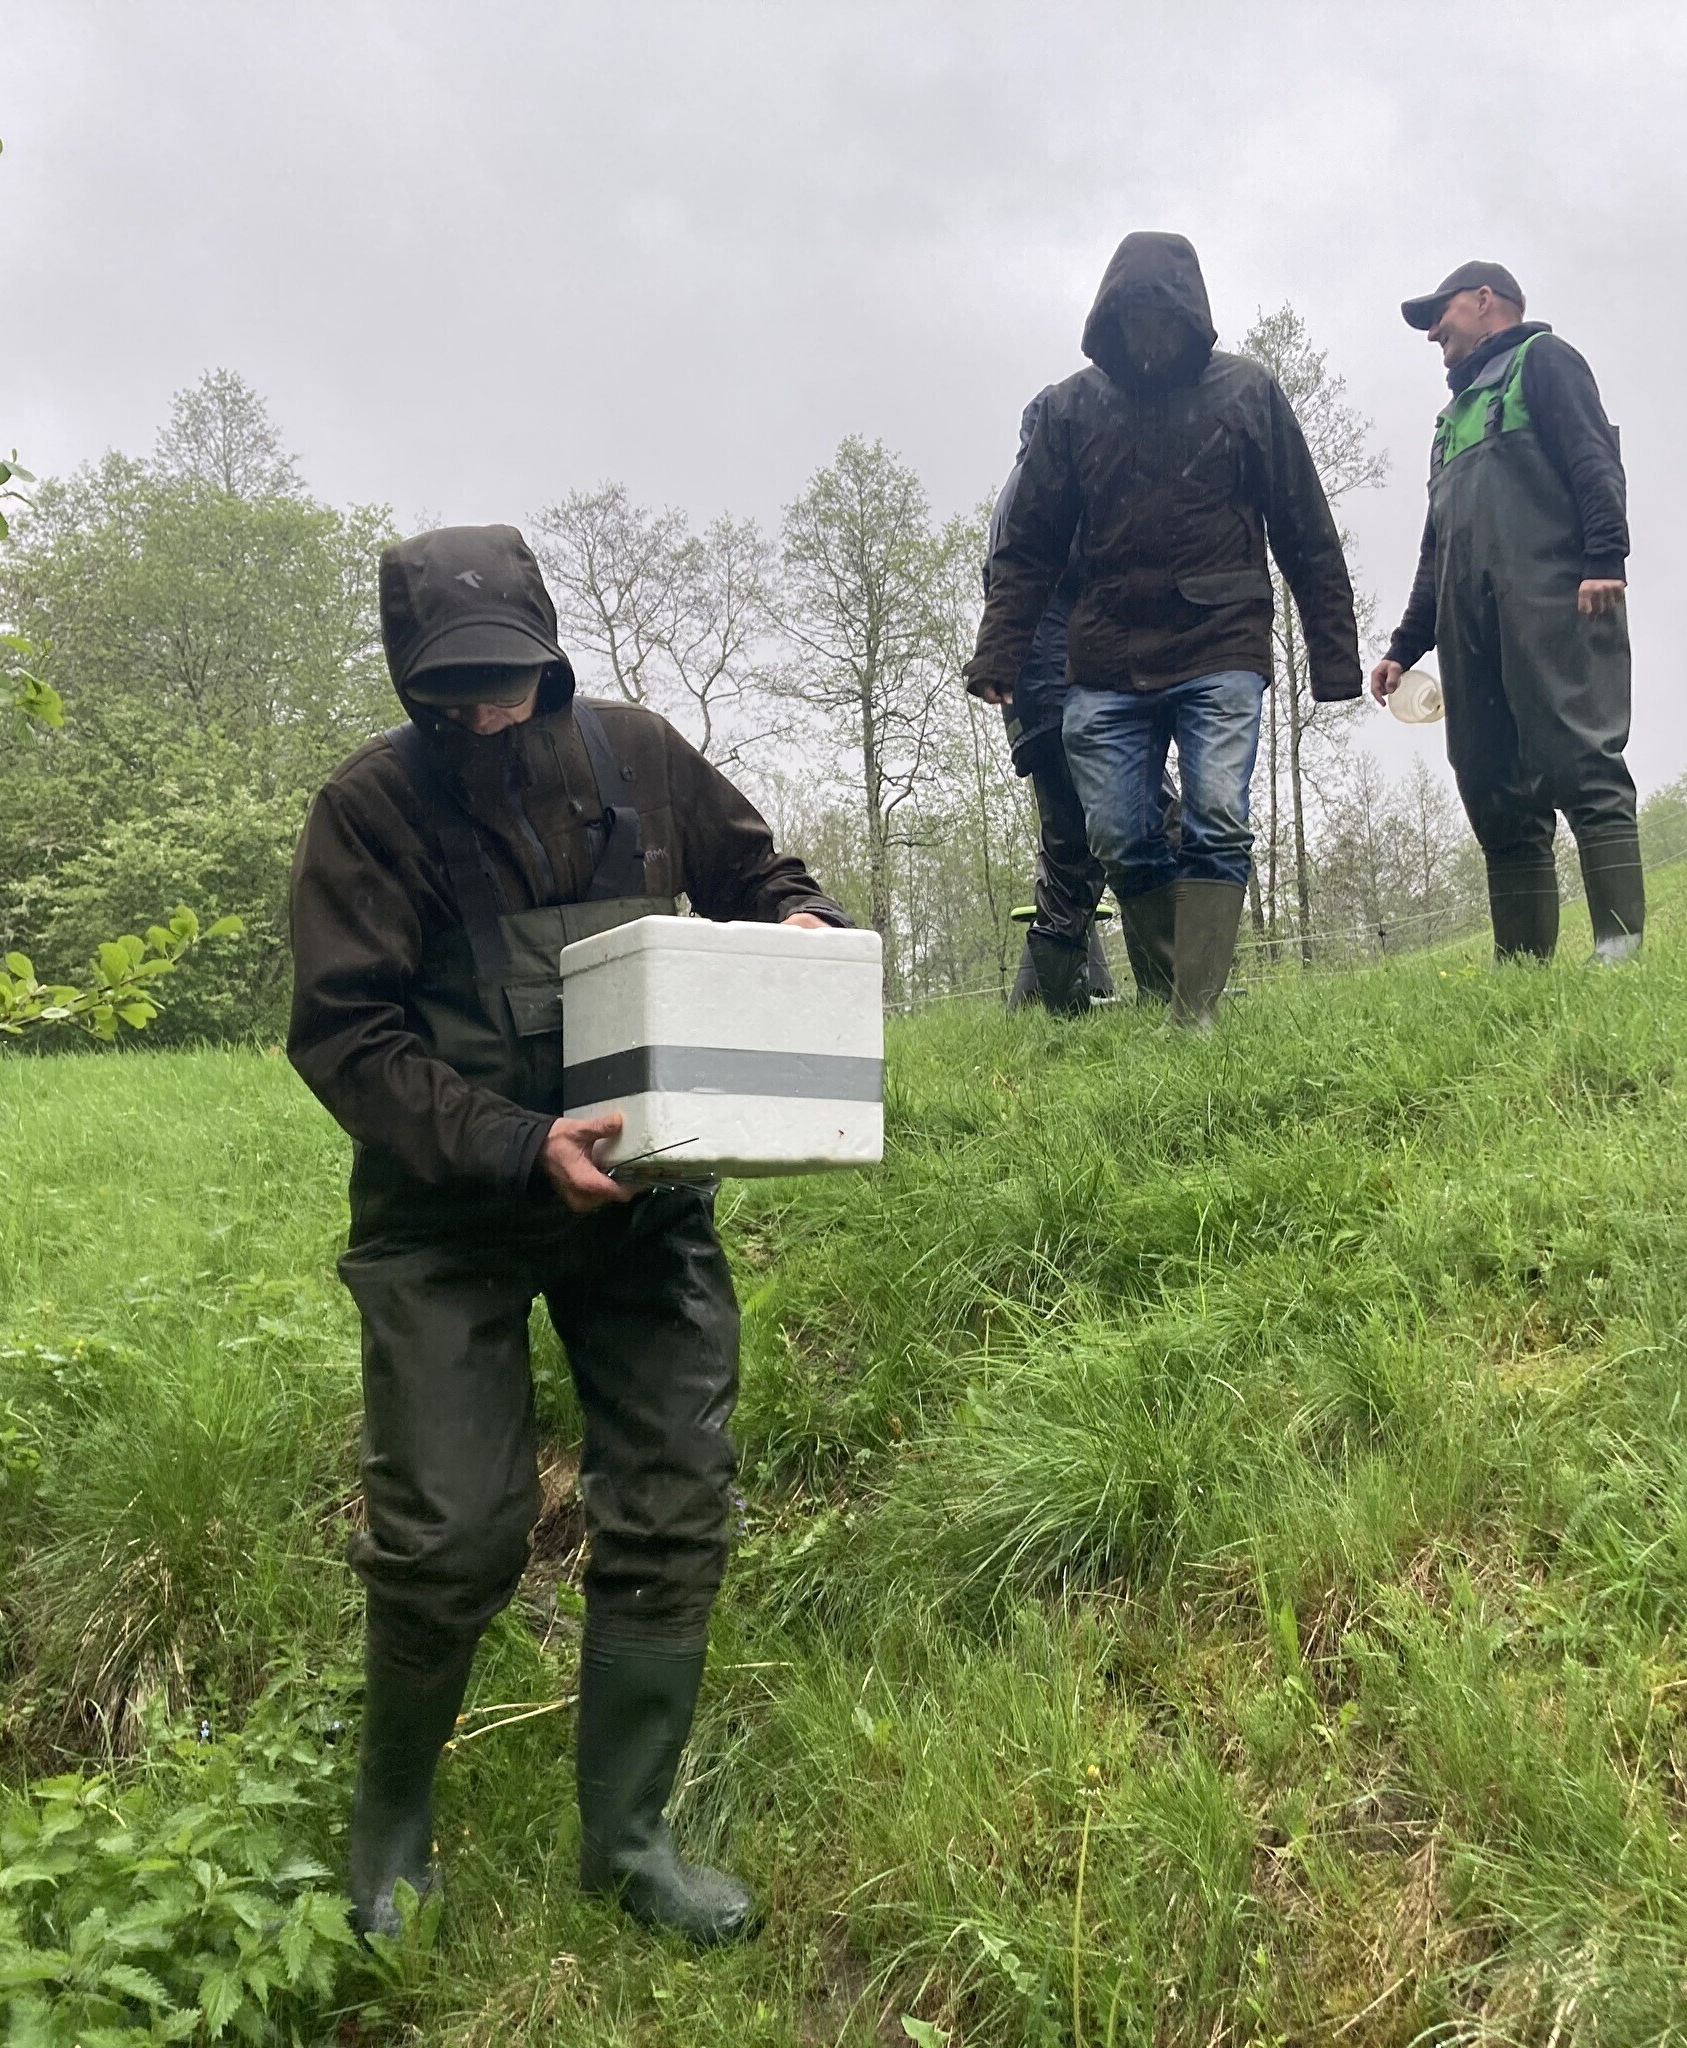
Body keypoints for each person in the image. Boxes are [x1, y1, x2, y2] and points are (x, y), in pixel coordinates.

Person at [287, 525, 849, 1946]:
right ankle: (390, 1836)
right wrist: (514, 1140)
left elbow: (761, 873)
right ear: (409, 679)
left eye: (508, 682)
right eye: (453, 692)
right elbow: (344, 1038)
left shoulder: (640, 755)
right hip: (446, 1215)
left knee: (673, 1501)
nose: (486, 713)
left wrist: (799, 924)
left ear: (550, 656)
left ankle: (630, 1843)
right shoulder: (365, 811)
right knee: (452, 1531)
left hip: (641, 1200)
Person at [968, 230, 1362, 1026]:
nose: (1149, 335)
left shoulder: (1246, 392)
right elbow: (1027, 545)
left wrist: (1334, 656)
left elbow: (1304, 527)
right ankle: (1173, 992)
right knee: (1118, 833)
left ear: (1190, 316)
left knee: (1217, 812)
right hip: (1106, 655)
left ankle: (1194, 1014)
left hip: (1221, 637)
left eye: (1162, 318)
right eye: (1133, 319)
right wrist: (999, 650)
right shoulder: (1073, 409)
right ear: (1110, 318)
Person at [1370, 262, 1644, 965]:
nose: (1432, 332)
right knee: (1490, 783)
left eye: (1441, 312)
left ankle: (1620, 945)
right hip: (1469, 627)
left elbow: (1594, 463)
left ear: (1485, 300)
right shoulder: (1449, 422)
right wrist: (1405, 646)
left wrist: (1605, 558)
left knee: (1580, 759)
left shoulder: (1544, 362)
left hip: (1554, 599)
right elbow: (1436, 547)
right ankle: (1522, 963)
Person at [987, 386, 1176, 1013]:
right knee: (1156, 818)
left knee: (1069, 852)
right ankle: (1173, 990)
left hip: (1031, 707)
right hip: (1070, 693)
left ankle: (1055, 1009)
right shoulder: (1049, 492)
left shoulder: (1012, 497)